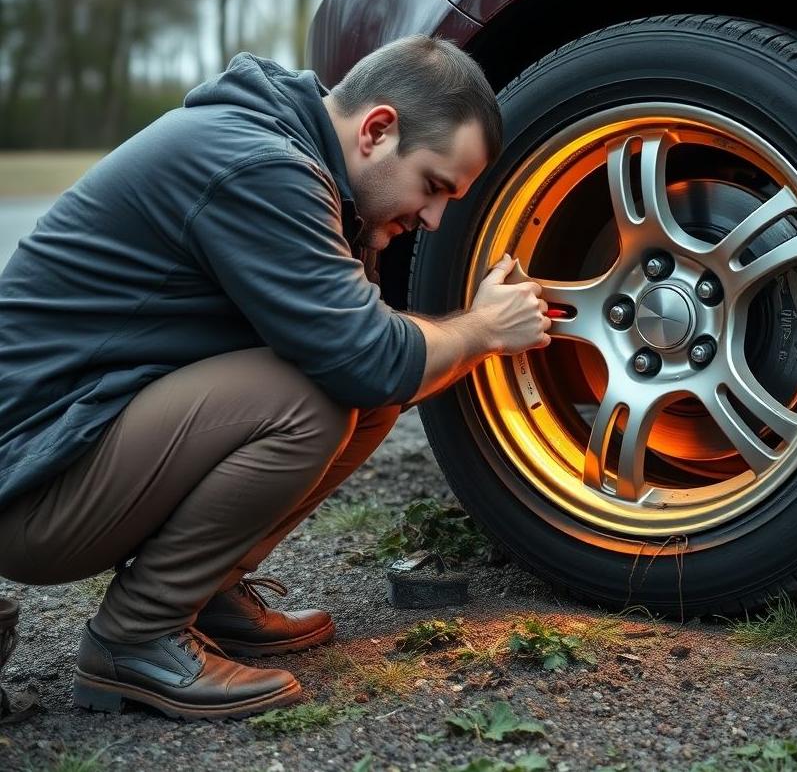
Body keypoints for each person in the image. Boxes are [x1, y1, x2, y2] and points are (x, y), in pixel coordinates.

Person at [0, 36, 550, 720]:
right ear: (377, 130)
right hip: (31, 486)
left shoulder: (295, 157)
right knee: (315, 400)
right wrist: (483, 328)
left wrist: (374, 248)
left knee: (365, 394)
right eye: (433, 186)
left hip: (71, 449)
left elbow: (373, 363)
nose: (434, 219)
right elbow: (370, 359)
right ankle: (136, 635)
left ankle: (202, 592)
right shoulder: (260, 166)